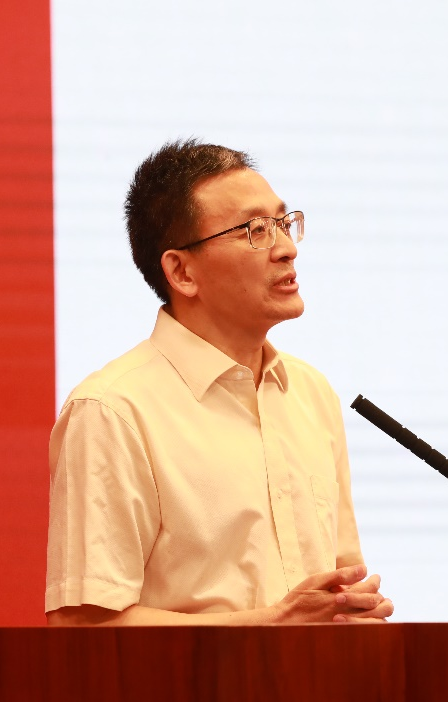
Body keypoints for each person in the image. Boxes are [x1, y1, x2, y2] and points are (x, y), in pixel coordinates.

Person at [45, 139, 392, 626]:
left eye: (284, 223)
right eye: (256, 230)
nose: (287, 249)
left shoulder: (310, 393)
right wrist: (273, 625)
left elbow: (338, 584)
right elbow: (82, 627)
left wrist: (351, 614)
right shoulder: (112, 411)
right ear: (181, 271)